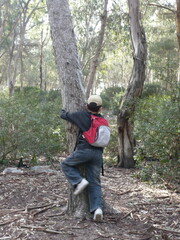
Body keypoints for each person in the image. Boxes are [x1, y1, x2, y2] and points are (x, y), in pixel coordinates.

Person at [60, 95, 105, 222]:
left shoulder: (82, 115)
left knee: (65, 164)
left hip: (84, 151)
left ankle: (79, 181)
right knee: (95, 182)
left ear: (86, 106)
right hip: (97, 154)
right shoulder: (102, 120)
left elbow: (64, 115)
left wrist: (62, 111)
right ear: (100, 109)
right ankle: (97, 209)